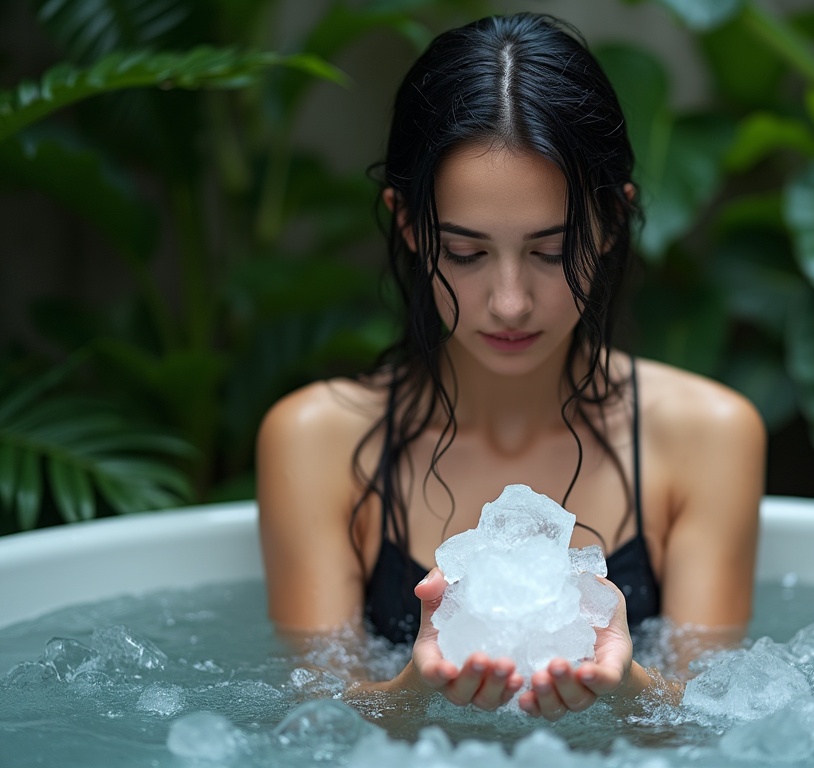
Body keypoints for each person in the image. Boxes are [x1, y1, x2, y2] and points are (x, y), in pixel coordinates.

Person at [257, 12, 765, 722]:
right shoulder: (318, 441)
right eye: (464, 252)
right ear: (407, 224)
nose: (508, 301)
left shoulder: (707, 436)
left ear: (613, 223)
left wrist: (632, 694)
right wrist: (411, 694)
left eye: (551, 251)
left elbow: (718, 729)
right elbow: (310, 726)